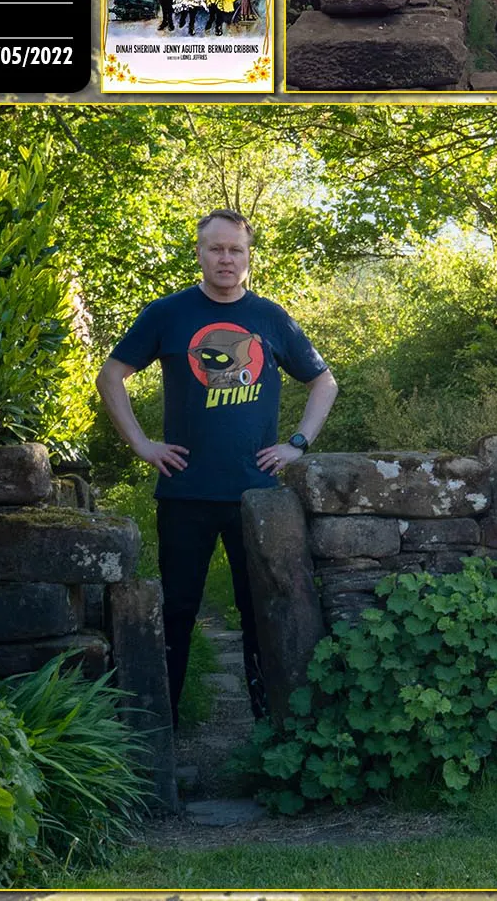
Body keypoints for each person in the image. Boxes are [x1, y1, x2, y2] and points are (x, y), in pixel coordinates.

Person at [96, 209, 339, 725]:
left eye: (236, 250)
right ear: (200, 253)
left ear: (249, 256)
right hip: (184, 493)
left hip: (256, 495)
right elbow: (111, 375)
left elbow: (324, 382)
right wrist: (142, 444)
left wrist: (297, 443)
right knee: (178, 613)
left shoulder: (272, 318)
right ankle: (162, 733)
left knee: (260, 613)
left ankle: (272, 731)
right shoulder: (167, 314)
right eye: (216, 249)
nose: (225, 259)